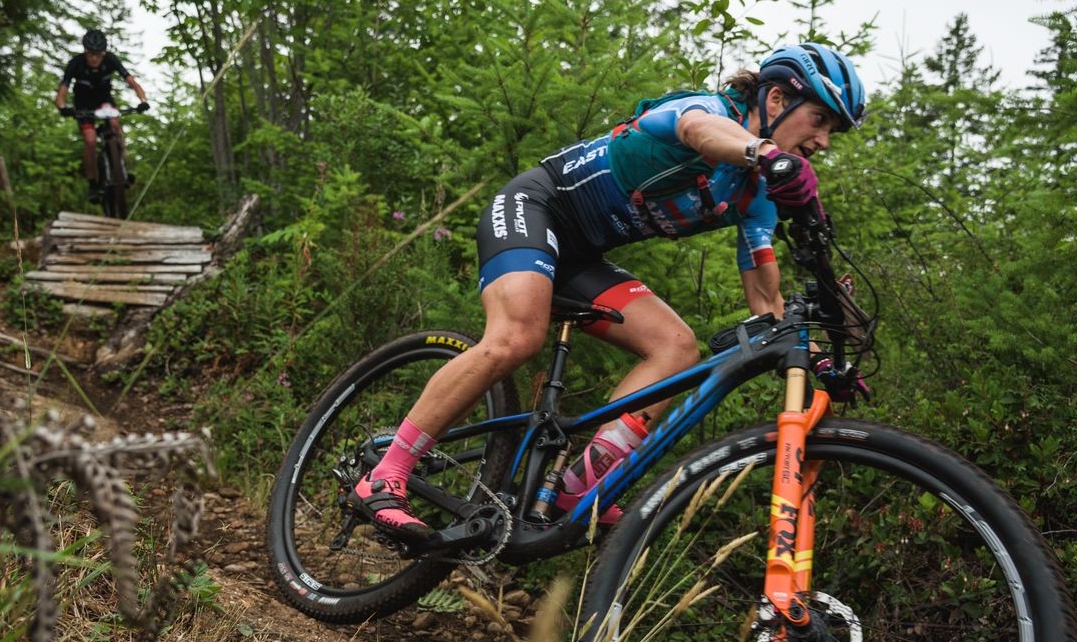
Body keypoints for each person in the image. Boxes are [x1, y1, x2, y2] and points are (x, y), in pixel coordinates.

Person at [352, 42, 867, 542]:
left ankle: (572, 491)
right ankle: (386, 472)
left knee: (676, 348)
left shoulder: (754, 197)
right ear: (776, 100)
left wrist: (820, 358)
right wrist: (763, 152)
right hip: (535, 208)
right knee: (516, 337)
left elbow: (767, 305)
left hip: (579, 259)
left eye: (831, 131)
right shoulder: (708, 110)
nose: (823, 141)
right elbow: (697, 131)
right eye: (820, 120)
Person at [54, 29, 149, 203]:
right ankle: (92, 183)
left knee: (114, 125)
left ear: (103, 53)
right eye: (91, 54)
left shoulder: (111, 60)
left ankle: (121, 168)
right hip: (83, 104)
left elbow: (132, 82)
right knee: (90, 140)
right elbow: (62, 92)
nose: (94, 59)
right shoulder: (76, 64)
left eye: (98, 55)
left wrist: (143, 100)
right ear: (85, 52)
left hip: (104, 101)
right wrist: (62, 107)